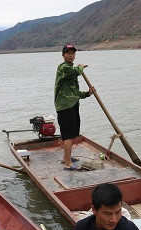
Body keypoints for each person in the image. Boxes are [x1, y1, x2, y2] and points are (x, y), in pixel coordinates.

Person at [54, 43, 95, 171]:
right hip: (65, 106)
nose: (71, 55)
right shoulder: (64, 68)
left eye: (73, 53)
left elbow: (75, 93)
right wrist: (81, 67)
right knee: (68, 135)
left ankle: (66, 158)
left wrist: (88, 93)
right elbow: (76, 71)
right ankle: (68, 164)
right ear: (63, 55)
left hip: (72, 104)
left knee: (71, 135)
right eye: (68, 53)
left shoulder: (71, 72)